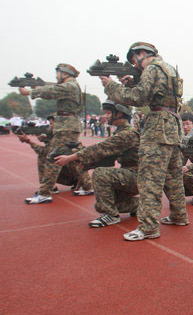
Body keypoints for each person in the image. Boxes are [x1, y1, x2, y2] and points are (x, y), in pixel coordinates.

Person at [100, 42, 188, 240]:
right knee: (173, 177)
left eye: (134, 60)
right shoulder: (168, 68)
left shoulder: (152, 68)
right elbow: (155, 95)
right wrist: (131, 83)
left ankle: (148, 227)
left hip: (157, 128)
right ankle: (179, 214)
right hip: (172, 126)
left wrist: (111, 86)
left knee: (149, 179)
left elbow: (139, 98)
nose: (135, 65)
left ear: (141, 54)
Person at [54, 101, 140, 227]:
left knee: (100, 174)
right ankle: (143, 204)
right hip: (133, 175)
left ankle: (111, 215)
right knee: (111, 203)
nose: (106, 116)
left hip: (138, 175)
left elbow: (100, 148)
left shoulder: (127, 134)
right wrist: (86, 163)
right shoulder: (121, 132)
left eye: (109, 113)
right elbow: (107, 157)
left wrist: (70, 158)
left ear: (120, 114)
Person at [18, 63, 88, 204]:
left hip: (66, 127)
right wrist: (36, 86)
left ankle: (45, 193)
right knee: (72, 159)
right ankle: (88, 185)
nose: (56, 76)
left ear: (64, 73)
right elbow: (51, 87)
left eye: (57, 73)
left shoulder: (70, 86)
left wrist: (31, 92)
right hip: (68, 126)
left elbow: (52, 91)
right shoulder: (70, 86)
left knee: (52, 158)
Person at [16, 116, 88, 193]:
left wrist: (28, 141)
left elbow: (43, 151)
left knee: (43, 158)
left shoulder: (60, 138)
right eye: (50, 123)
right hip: (71, 170)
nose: (50, 126)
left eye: (52, 123)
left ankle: (49, 187)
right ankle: (78, 181)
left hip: (72, 170)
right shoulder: (63, 134)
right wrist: (44, 139)